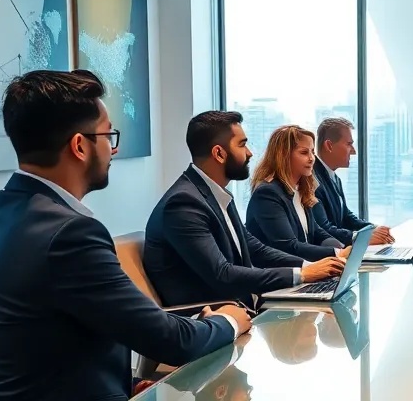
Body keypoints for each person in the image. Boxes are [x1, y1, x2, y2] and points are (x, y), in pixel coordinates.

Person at [0, 71, 251, 401]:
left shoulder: (0, 210)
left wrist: (128, 384)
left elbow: (49, 341)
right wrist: (227, 321)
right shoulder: (68, 234)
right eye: (107, 136)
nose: (114, 150)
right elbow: (169, 340)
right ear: (80, 146)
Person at [144, 111, 344, 310]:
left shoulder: (215, 194)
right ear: (219, 154)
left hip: (243, 304)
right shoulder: (183, 204)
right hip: (213, 317)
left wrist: (309, 267)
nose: (250, 152)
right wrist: (302, 275)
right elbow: (222, 274)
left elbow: (253, 248)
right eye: (242, 145)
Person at [246, 124, 350, 261]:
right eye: (304, 152)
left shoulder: (300, 190)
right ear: (283, 155)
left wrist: (343, 248)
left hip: (305, 270)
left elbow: (317, 232)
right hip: (282, 277)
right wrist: (337, 253)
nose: (312, 158)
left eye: (312, 152)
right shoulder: (267, 194)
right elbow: (288, 246)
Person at [311, 117, 393, 246]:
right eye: (348, 144)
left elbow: (346, 217)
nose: (353, 151)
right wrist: (361, 238)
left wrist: (374, 229)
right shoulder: (311, 180)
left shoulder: (334, 177)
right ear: (329, 146)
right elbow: (323, 228)